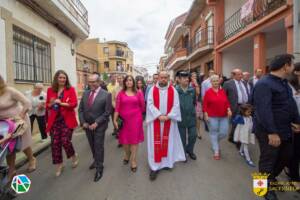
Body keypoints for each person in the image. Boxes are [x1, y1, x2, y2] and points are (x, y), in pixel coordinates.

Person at [252, 54, 300, 200]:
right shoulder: (264, 84)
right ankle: (263, 190)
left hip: (285, 128)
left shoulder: (284, 82)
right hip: (268, 131)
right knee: (268, 159)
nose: (293, 67)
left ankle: (270, 178)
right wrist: (272, 132)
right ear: (286, 66)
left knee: (287, 155)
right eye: (292, 64)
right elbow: (263, 111)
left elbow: (290, 104)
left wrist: (296, 121)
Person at [146, 71, 185, 181]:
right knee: (156, 144)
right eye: (161, 77)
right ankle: (154, 167)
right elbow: (150, 104)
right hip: (156, 121)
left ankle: (167, 163)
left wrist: (169, 116)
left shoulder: (173, 90)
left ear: (168, 78)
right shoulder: (152, 90)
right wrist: (158, 115)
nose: (163, 79)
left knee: (168, 142)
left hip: (169, 121)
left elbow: (176, 105)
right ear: (158, 78)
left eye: (165, 77)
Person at [0, 75, 36, 180]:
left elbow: (27, 102)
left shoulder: (9, 90)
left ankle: (32, 159)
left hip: (18, 121)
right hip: (4, 124)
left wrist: (20, 116)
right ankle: (12, 169)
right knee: (7, 146)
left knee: (23, 144)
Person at [78, 73, 112, 182]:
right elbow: (81, 110)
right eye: (89, 82)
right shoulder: (85, 93)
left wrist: (97, 123)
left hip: (100, 125)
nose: (91, 84)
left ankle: (99, 168)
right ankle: (95, 160)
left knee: (98, 146)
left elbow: (107, 112)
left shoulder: (106, 94)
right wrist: (83, 122)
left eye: (93, 82)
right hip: (87, 125)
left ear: (99, 82)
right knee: (92, 144)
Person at [46, 70, 79, 177]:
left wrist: (62, 103)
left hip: (67, 119)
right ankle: (59, 165)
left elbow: (74, 104)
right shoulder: (50, 90)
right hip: (55, 121)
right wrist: (51, 104)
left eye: (64, 78)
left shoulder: (71, 89)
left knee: (65, 141)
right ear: (56, 78)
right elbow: (47, 104)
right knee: (55, 143)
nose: (62, 79)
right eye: (60, 77)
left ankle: (73, 156)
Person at [113, 75, 145, 172]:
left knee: (134, 141)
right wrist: (115, 120)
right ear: (124, 82)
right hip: (124, 121)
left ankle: (133, 160)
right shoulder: (121, 94)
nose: (129, 82)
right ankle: (127, 154)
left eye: (130, 80)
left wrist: (138, 116)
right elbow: (117, 108)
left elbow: (142, 106)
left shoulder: (138, 93)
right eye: (127, 80)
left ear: (133, 82)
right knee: (125, 142)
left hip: (136, 120)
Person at [203, 75, 232, 160]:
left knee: (224, 133)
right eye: (214, 81)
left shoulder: (222, 91)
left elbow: (226, 102)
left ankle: (215, 141)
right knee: (213, 132)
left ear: (219, 81)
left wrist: (229, 109)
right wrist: (206, 114)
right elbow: (205, 105)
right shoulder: (208, 92)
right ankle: (216, 150)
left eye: (217, 81)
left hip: (223, 116)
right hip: (212, 116)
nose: (216, 82)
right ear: (211, 82)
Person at [223, 68, 248, 146]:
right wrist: (227, 107)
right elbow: (224, 96)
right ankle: (236, 139)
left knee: (242, 123)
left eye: (241, 74)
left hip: (245, 106)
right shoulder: (228, 83)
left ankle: (233, 137)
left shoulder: (244, 83)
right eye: (239, 74)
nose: (241, 76)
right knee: (236, 123)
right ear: (233, 75)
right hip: (235, 106)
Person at [176, 71, 197, 160]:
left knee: (193, 135)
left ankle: (190, 150)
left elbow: (194, 102)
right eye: (184, 78)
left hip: (191, 117)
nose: (187, 79)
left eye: (187, 78)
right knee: (182, 138)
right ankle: (183, 153)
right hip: (180, 118)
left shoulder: (192, 90)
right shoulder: (175, 90)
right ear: (179, 80)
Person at [285, 62, 300, 190]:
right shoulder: (288, 86)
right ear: (297, 72)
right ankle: (294, 177)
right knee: (295, 152)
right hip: (294, 124)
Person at [111, 75, 124, 146]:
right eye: (118, 78)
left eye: (121, 78)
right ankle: (120, 141)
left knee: (127, 126)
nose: (119, 79)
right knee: (119, 126)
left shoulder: (127, 88)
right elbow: (112, 100)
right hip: (118, 111)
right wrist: (116, 108)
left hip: (127, 111)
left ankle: (128, 140)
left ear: (123, 79)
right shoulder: (115, 89)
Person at [190, 72, 202, 139]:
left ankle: (198, 131)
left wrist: (196, 84)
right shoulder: (188, 83)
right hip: (189, 102)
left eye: (195, 76)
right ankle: (191, 131)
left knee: (197, 118)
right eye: (193, 76)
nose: (194, 78)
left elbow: (198, 93)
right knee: (190, 117)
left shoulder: (198, 84)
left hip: (197, 102)